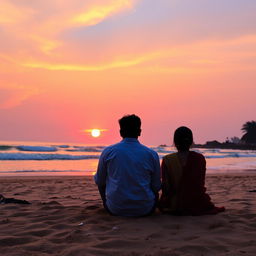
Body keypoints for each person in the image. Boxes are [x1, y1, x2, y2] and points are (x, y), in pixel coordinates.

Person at [94, 114, 161, 217]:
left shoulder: (108, 152)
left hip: (115, 209)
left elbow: (99, 181)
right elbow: (156, 187)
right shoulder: (151, 154)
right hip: (145, 209)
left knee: (103, 179)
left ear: (121, 132)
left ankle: (109, 203)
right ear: (139, 132)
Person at [159, 126, 225, 215]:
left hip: (175, 205)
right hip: (197, 203)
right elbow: (199, 184)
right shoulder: (199, 158)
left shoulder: (167, 160)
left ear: (175, 142)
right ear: (191, 142)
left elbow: (166, 188)